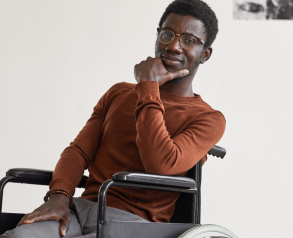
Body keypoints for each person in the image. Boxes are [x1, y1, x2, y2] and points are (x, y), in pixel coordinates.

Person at [1, 0, 225, 237]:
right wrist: (60, 197)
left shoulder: (208, 119)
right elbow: (79, 151)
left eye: (189, 40)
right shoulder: (118, 93)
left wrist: (148, 86)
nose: (174, 46)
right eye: (167, 34)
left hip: (134, 224)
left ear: (205, 54)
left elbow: (160, 165)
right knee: (16, 236)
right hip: (80, 209)